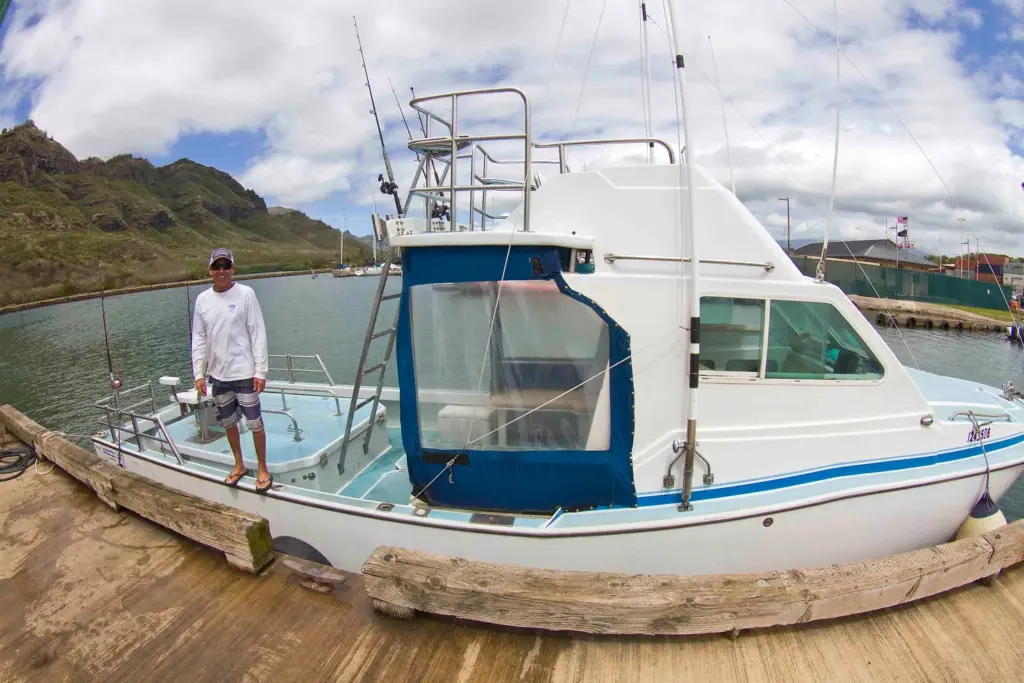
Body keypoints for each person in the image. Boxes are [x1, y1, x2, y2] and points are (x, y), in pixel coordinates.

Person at [191, 248, 272, 492]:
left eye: (226, 266)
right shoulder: (202, 300)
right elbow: (199, 338)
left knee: (255, 423)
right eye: (217, 266)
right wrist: (198, 373)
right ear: (210, 270)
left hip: (245, 373)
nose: (221, 271)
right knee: (228, 423)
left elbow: (258, 332)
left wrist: (261, 371)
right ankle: (239, 465)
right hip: (218, 376)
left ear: (233, 269)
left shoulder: (246, 294)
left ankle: (262, 468)